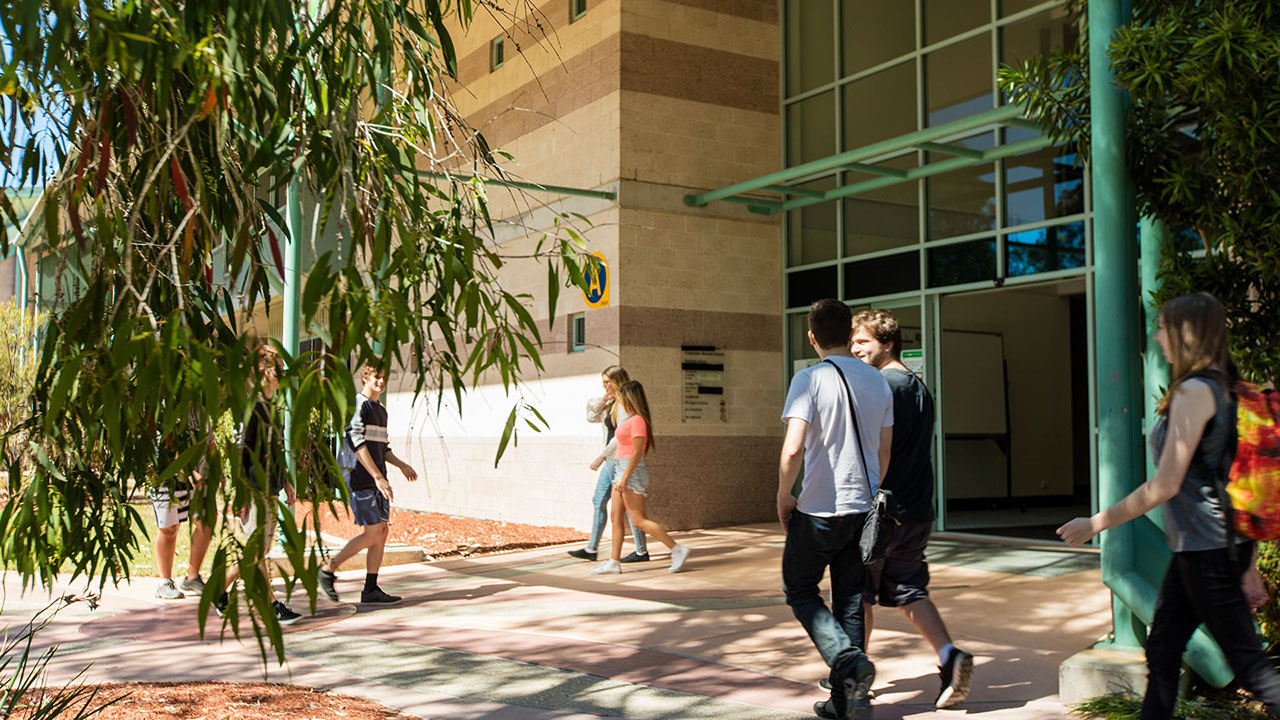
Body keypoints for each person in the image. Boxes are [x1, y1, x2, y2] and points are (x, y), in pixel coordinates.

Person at [1059, 293, 1280, 720]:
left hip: (1208, 554)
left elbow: (1164, 486)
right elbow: (1231, 482)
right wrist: (1247, 564)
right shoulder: (1226, 387)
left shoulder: (1195, 391)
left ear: (1185, 334)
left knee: (1254, 670)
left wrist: (1095, 523)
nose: (1158, 335)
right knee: (1162, 650)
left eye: (1163, 327)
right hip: (1202, 550)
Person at [850, 309, 974, 710]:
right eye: (853, 342)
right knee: (908, 590)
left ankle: (855, 676)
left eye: (863, 342)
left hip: (882, 509)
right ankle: (949, 656)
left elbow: (876, 452)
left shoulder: (882, 387)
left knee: (858, 592)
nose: (856, 349)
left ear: (887, 344)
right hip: (917, 507)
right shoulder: (919, 387)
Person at [778, 298, 893, 720]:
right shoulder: (879, 382)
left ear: (811, 337)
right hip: (862, 510)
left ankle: (848, 662)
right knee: (848, 601)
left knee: (801, 589)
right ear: (849, 335)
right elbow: (884, 452)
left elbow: (793, 450)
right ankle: (846, 704)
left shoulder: (808, 379)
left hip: (819, 509)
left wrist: (783, 495)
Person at [214, 343, 302, 625]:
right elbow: (241, 452)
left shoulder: (272, 408)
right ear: (266, 374)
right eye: (279, 371)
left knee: (259, 551)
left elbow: (275, 451)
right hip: (253, 489)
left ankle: (219, 590)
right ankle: (272, 605)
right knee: (254, 551)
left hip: (270, 489)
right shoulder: (251, 408)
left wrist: (286, 482)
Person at [318, 363, 419, 604]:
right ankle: (327, 570)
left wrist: (401, 465)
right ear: (365, 377)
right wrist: (377, 476)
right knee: (373, 532)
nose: (381, 382)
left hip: (378, 479)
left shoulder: (381, 410)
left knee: (381, 532)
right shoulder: (358, 405)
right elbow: (356, 442)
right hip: (361, 479)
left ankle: (370, 589)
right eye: (377, 377)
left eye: (384, 377)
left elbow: (382, 449)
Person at [589, 380, 691, 575]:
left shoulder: (638, 421)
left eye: (622, 397)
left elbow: (637, 453)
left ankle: (677, 549)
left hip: (631, 471)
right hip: (621, 469)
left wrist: (625, 477)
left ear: (631, 398)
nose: (620, 400)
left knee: (637, 520)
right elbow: (618, 444)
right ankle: (613, 562)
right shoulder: (629, 420)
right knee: (615, 516)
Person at [568, 365, 650, 563]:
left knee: (628, 509)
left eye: (607, 382)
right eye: (603, 383)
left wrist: (602, 456)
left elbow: (620, 438)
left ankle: (642, 551)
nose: (604, 386)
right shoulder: (611, 403)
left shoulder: (625, 406)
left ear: (617, 381)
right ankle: (593, 548)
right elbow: (590, 417)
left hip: (618, 459)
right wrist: (604, 400)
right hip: (612, 460)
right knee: (600, 501)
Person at [150, 473, 214, 600]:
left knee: (206, 523)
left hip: (196, 478)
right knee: (169, 528)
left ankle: (192, 577)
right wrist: (190, 473)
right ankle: (164, 582)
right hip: (165, 476)